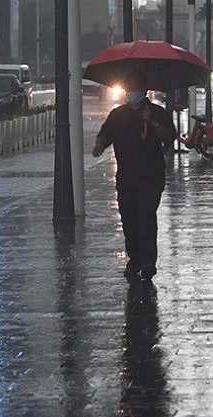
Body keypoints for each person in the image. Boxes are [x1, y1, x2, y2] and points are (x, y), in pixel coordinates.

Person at [92, 72, 177, 281]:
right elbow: (106, 134)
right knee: (129, 220)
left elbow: (169, 137)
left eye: (136, 90)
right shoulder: (118, 115)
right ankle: (134, 259)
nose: (133, 94)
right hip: (127, 179)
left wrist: (153, 123)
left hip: (151, 177)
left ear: (145, 92)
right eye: (130, 90)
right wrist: (100, 145)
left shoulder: (157, 112)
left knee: (146, 217)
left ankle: (148, 262)